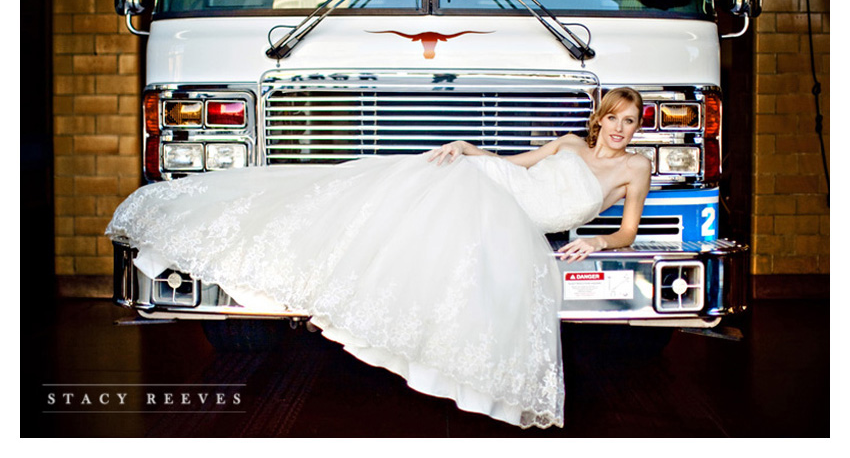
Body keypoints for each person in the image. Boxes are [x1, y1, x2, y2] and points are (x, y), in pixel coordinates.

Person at [106, 87, 650, 429]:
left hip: (518, 217)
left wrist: (599, 242)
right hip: (495, 184)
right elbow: (516, 165)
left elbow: (626, 233)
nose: (621, 129)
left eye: (631, 121)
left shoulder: (634, 170)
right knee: (392, 203)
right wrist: (469, 151)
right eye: (614, 119)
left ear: (636, 128)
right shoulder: (568, 145)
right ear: (600, 119)